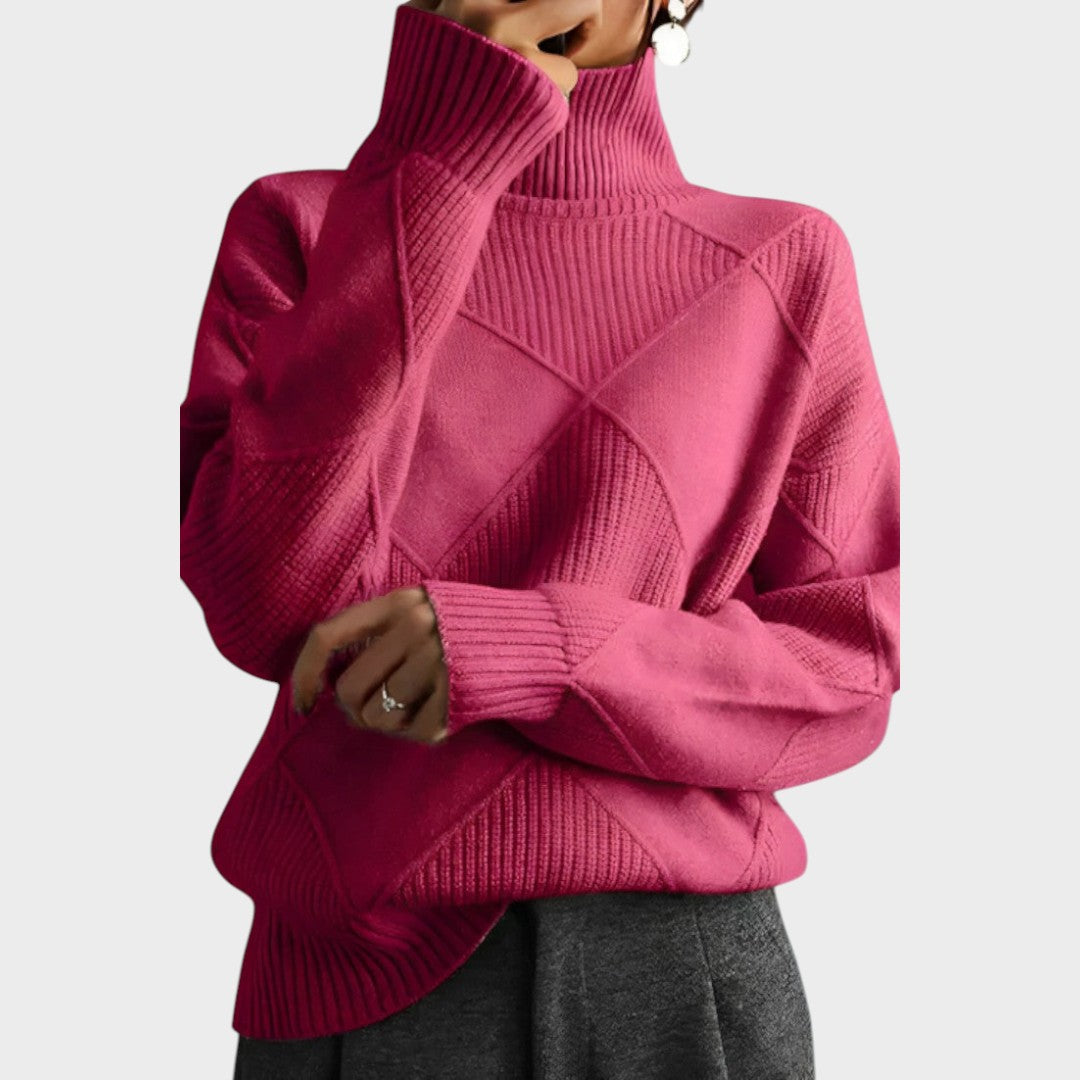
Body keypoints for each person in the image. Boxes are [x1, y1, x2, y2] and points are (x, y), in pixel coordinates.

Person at [179, 0, 901, 1076]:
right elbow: (261, 602)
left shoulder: (784, 262)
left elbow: (853, 668)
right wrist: (441, 154)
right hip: (360, 975)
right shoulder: (302, 229)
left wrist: (535, 651)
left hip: (679, 971)